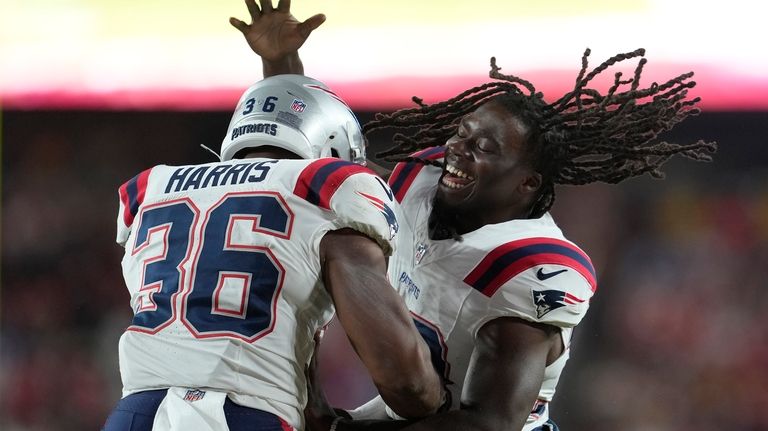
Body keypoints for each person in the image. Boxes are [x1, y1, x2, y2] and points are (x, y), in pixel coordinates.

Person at [231, 1, 717, 430]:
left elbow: (487, 422)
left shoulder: (530, 268)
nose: (457, 153)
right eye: (461, 135)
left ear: (527, 183)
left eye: (483, 148)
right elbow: (323, 165)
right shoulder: (419, 184)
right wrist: (280, 64)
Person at [102, 72, 445, 431]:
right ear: (333, 147)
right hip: (241, 412)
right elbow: (406, 384)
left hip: (134, 413)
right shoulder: (328, 189)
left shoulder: (150, 189)